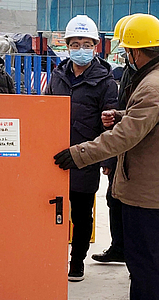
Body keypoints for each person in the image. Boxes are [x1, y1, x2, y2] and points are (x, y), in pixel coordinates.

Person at [54, 14, 159, 300]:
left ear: (136, 51)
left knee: (145, 257)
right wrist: (122, 114)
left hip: (148, 187)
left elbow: (123, 138)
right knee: (140, 254)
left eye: (127, 50)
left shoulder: (154, 85)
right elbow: (146, 119)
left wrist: (79, 154)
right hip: (148, 182)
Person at [46, 15, 118, 282]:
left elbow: (111, 124)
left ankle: (77, 261)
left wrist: (107, 159)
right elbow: (44, 110)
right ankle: (51, 258)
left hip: (86, 156)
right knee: (51, 210)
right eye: (75, 44)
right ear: (67, 46)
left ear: (95, 47)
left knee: (81, 214)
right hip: (55, 155)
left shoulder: (106, 82)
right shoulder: (57, 75)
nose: (80, 49)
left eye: (86, 44)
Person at [92, 14, 138, 266]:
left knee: (129, 204)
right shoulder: (129, 72)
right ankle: (119, 247)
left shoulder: (150, 78)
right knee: (114, 198)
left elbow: (133, 117)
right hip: (120, 148)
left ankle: (129, 251)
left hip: (132, 150)